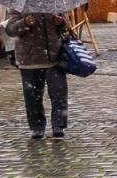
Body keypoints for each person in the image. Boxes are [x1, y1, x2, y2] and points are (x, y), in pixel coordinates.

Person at [4, 9, 69, 139]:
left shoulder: (54, 2)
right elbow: (10, 30)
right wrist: (24, 22)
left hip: (54, 57)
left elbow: (67, 28)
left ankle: (58, 125)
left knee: (59, 94)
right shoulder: (19, 5)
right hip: (29, 59)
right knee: (33, 96)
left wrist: (60, 22)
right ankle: (37, 127)